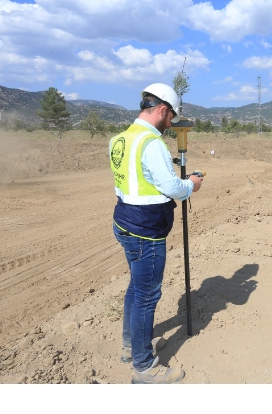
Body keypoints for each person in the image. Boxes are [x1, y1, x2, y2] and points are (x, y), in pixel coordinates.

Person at [109, 83, 203, 384]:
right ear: (163, 110)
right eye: (171, 118)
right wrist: (191, 184)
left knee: (136, 289)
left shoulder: (120, 139)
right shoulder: (151, 143)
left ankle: (131, 346)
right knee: (147, 297)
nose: (170, 125)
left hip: (124, 220)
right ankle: (144, 367)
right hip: (145, 231)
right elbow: (172, 187)